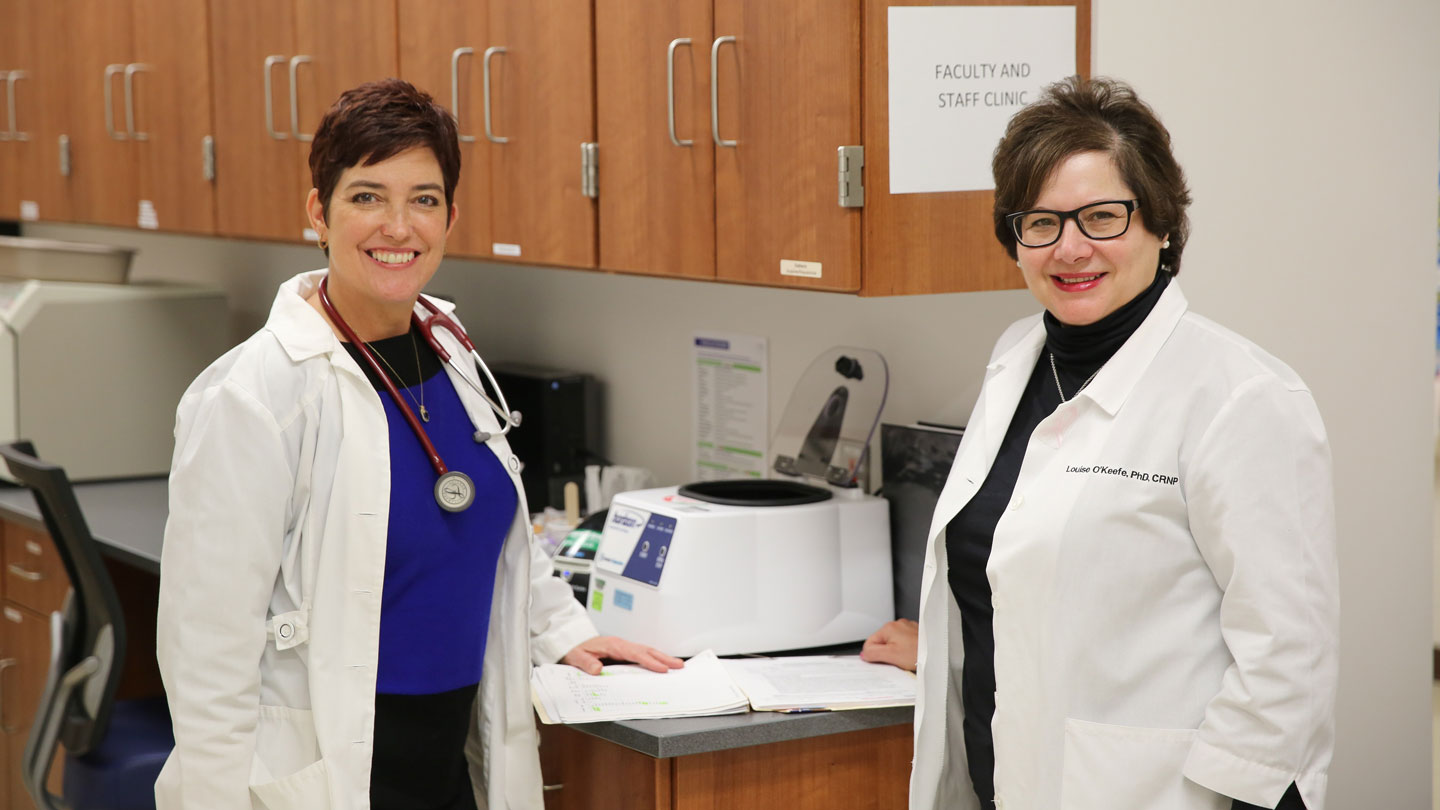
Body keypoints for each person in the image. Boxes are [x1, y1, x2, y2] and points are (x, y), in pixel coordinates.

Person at [154, 78, 682, 810]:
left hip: (450, 761)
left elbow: (483, 534)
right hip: (335, 771)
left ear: (450, 216)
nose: (397, 226)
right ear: (319, 211)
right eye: (367, 196)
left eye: (423, 199)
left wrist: (563, 630)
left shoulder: (452, 352)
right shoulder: (257, 393)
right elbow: (204, 647)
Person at [862, 76, 1337, 810]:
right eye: (1042, 222)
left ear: (1162, 225)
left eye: (1102, 216)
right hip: (998, 783)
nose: (1071, 248)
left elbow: (1287, 661)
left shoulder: (1240, 397)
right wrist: (938, 649)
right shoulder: (1016, 361)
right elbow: (1035, 575)